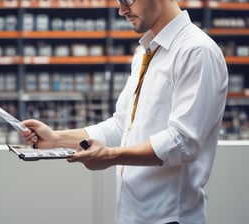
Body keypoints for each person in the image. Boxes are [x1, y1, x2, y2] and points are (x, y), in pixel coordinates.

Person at [20, 0, 228, 223]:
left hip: (169, 218)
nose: (122, 10)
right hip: (131, 215)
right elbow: (122, 125)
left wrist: (110, 156)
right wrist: (57, 139)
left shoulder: (196, 51)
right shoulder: (145, 52)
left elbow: (183, 142)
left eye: (128, 0)